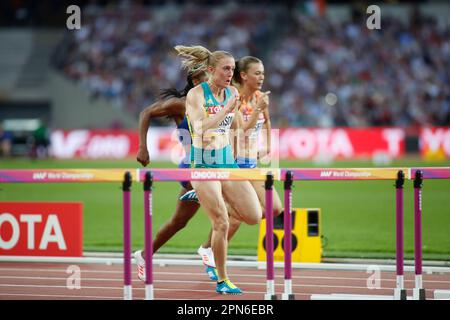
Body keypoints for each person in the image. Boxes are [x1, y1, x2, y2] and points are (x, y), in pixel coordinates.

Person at [180, 45, 262, 295]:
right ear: (211, 70)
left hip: (226, 162)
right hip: (203, 163)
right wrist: (226, 110)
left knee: (253, 215)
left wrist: (253, 120)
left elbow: (238, 127)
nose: (230, 73)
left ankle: (203, 195)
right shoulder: (196, 94)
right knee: (222, 223)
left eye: (233, 69)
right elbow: (200, 128)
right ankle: (223, 280)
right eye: (226, 69)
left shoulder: (232, 93)